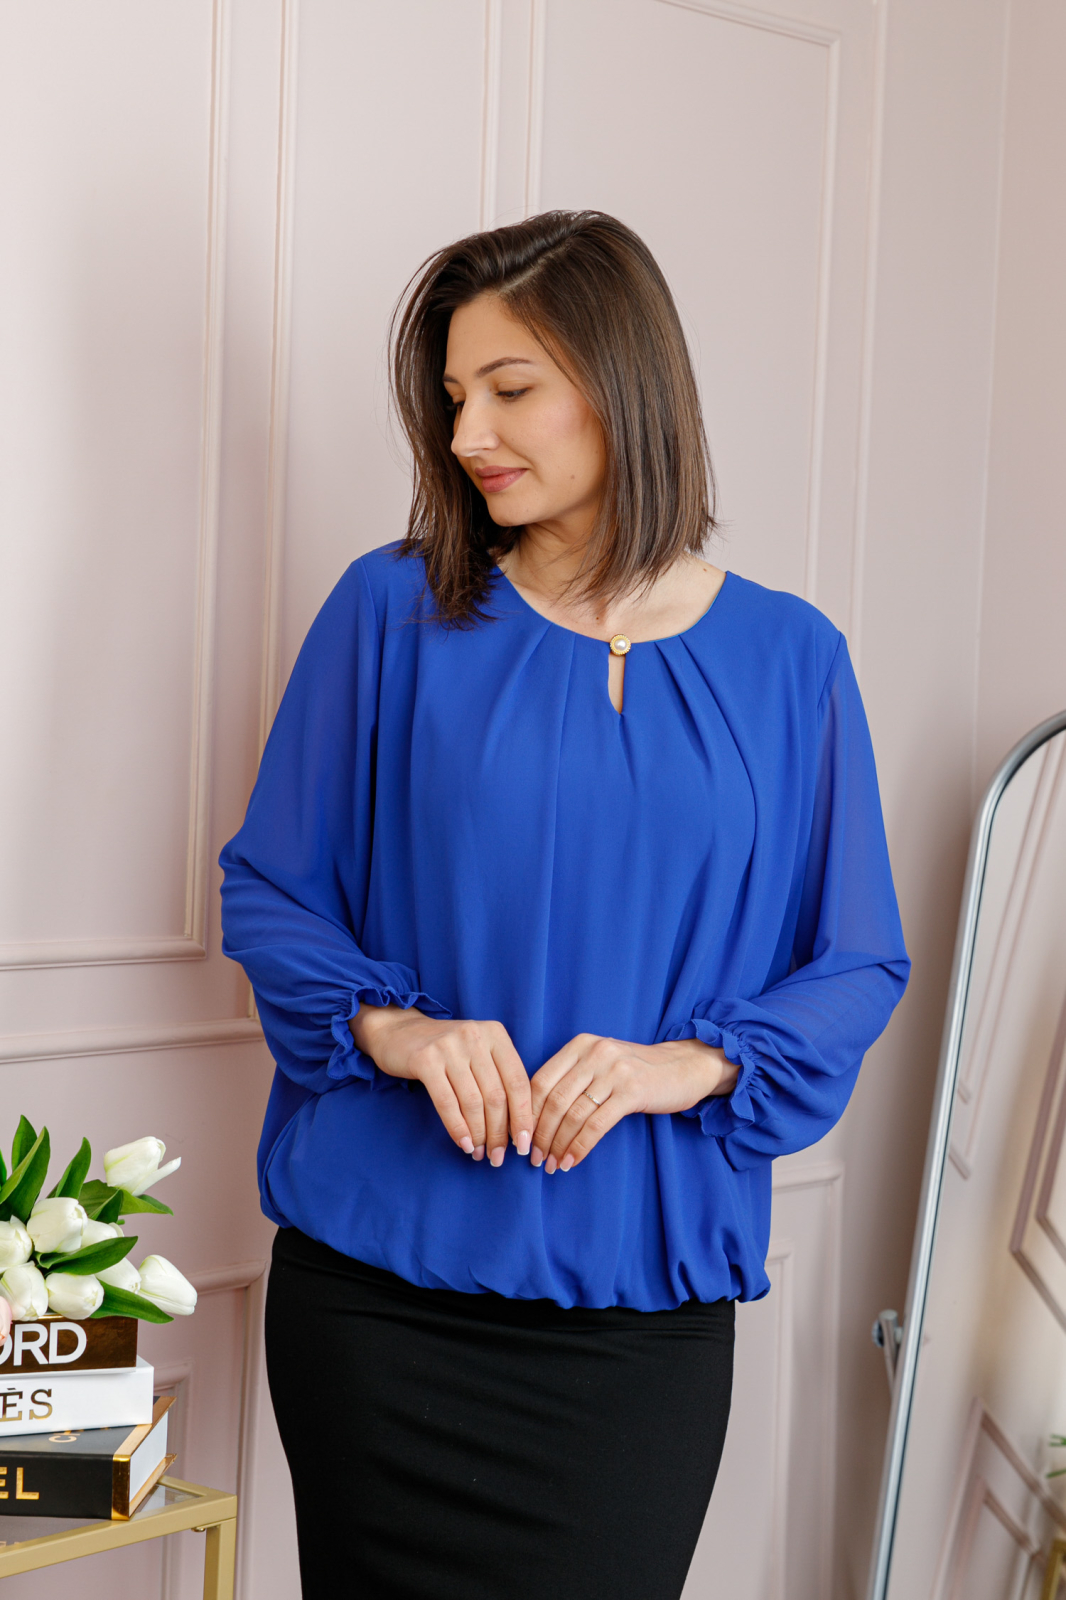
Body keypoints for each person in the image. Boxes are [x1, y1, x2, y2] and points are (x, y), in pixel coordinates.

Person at [220, 210, 909, 1600]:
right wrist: (400, 1030)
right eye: (453, 395)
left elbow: (856, 960)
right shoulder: (389, 612)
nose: (467, 432)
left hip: (636, 1316)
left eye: (510, 389)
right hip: (379, 1305)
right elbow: (272, 887)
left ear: (621, 385)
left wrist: (684, 1064)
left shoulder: (792, 661)